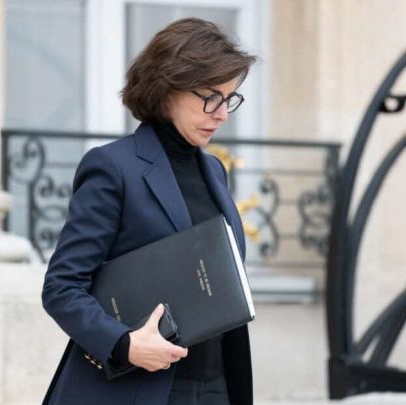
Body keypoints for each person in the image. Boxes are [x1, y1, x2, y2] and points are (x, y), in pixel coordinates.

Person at [41, 17, 257, 405]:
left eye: (229, 99)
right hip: (139, 389)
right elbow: (62, 287)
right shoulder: (113, 167)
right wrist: (124, 344)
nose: (222, 114)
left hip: (218, 386)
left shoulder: (213, 170)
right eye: (211, 97)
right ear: (167, 88)